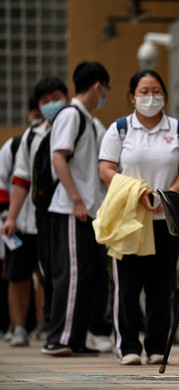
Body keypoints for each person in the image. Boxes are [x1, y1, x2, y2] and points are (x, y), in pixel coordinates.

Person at [97, 69, 179, 365]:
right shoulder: (119, 129)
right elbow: (106, 168)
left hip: (165, 222)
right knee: (127, 289)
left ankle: (156, 346)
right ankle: (128, 346)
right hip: (129, 220)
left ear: (164, 96)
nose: (150, 97)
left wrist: (167, 198)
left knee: (160, 289)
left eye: (156, 91)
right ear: (132, 97)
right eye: (144, 91)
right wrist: (136, 194)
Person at [41, 61, 111, 357]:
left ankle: (77, 339)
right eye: (105, 89)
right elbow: (59, 158)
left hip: (87, 210)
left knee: (90, 274)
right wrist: (76, 199)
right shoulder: (71, 115)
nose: (104, 94)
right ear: (97, 86)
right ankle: (59, 338)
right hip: (71, 210)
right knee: (72, 274)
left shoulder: (86, 119)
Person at [1, 83, 69, 347]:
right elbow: (17, 180)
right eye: (43, 102)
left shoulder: (74, 128)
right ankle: (18, 326)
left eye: (56, 99)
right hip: (23, 222)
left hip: (54, 220)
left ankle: (45, 324)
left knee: (47, 275)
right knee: (17, 276)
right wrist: (10, 217)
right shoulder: (25, 139)